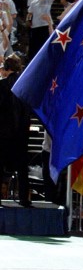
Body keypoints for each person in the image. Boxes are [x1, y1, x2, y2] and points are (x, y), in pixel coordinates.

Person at [0, 53, 32, 207]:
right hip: (22, 134)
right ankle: (24, 199)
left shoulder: (1, 86)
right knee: (22, 169)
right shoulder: (26, 86)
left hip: (3, 135)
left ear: (6, 69)